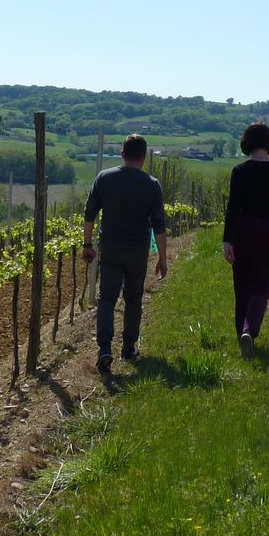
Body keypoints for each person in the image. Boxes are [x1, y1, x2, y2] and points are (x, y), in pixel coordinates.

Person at [82, 134, 168, 372]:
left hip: (110, 247)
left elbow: (89, 213)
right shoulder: (151, 184)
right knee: (133, 298)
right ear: (143, 157)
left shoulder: (104, 178)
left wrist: (87, 244)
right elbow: (159, 225)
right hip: (137, 250)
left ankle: (104, 348)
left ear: (122, 154)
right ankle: (129, 348)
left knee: (107, 298)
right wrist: (162, 258)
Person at [222, 121, 269, 358]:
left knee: (242, 284)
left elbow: (232, 208)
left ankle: (242, 337)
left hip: (243, 229)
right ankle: (249, 330)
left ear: (247, 144)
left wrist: (227, 239)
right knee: (262, 284)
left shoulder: (240, 171)